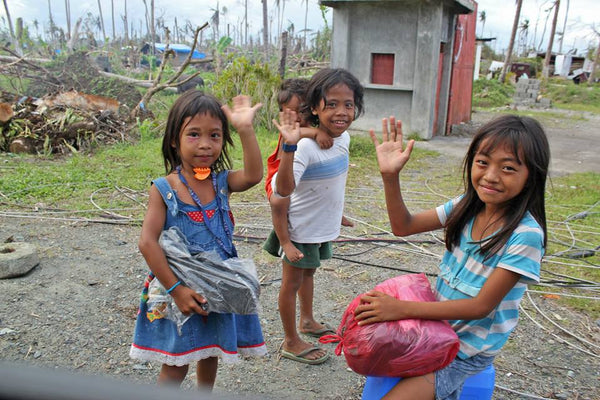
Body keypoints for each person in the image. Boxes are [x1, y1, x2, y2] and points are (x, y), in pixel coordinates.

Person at [355, 114, 550, 399]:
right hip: (436, 331)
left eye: (508, 168)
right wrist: (390, 177)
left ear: (532, 175)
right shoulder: (466, 206)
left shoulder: (525, 235)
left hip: (464, 353)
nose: (491, 176)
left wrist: (400, 308)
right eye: (482, 162)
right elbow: (403, 226)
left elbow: (480, 307)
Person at [130, 91, 267, 390]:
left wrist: (245, 129)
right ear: (174, 141)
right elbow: (147, 243)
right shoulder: (164, 189)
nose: (205, 144)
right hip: (178, 287)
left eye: (214, 135)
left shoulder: (221, 183)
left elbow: (255, 175)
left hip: (217, 286)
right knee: (176, 361)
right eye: (194, 134)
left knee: (212, 351)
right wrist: (177, 290)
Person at [265, 68, 364, 364]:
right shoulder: (305, 146)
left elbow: (329, 184)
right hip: (300, 230)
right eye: (331, 104)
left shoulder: (342, 140)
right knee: (290, 282)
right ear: (315, 108)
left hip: (319, 226)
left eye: (348, 104)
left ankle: (306, 320)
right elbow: (281, 192)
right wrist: (290, 146)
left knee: (309, 272)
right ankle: (290, 339)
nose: (341, 112)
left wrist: (337, 214)